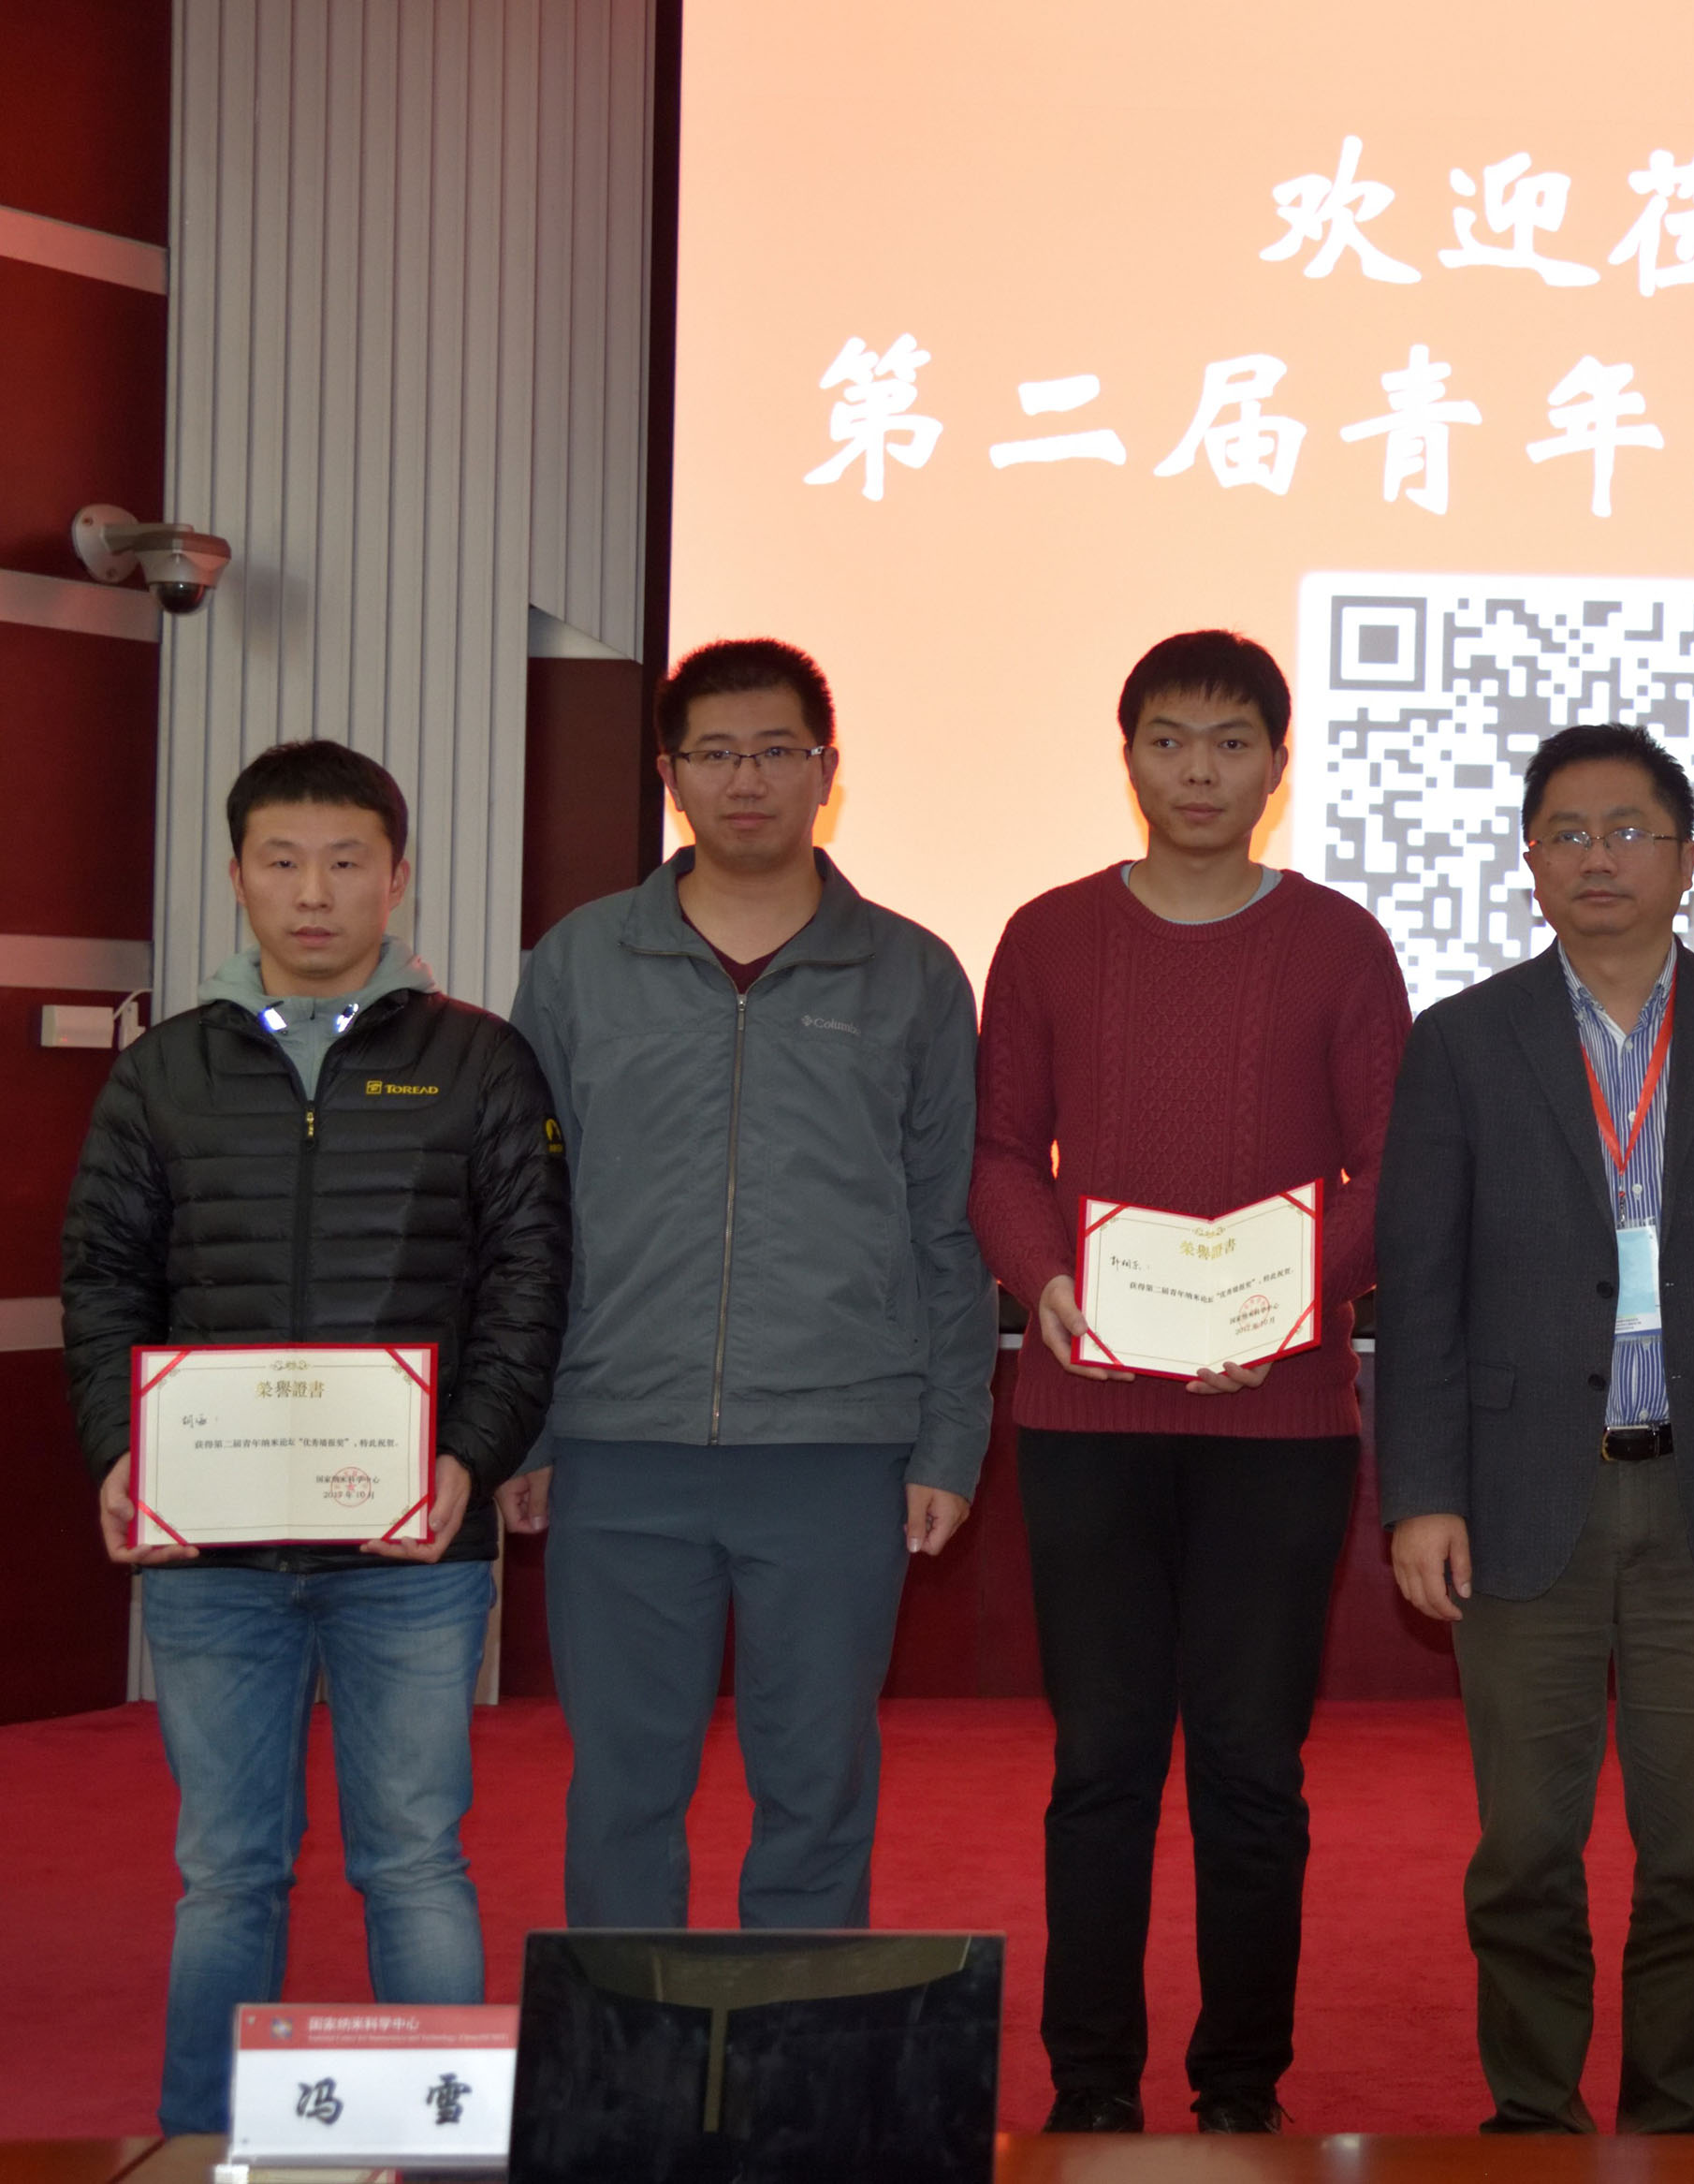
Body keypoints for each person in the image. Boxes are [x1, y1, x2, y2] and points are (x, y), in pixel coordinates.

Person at [61, 741, 570, 2133]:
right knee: (227, 1871)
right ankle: (202, 2145)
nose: (312, 892)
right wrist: (119, 1447)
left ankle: (441, 2150)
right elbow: (103, 1278)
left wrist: (471, 1454)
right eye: (281, 861)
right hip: (213, 1554)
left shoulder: (479, 1061)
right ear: (237, 877)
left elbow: (527, 1282)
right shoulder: (162, 1071)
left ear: (396, 879)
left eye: (346, 862)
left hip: (413, 1545)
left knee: (413, 1861)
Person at [1378, 723, 1694, 2134]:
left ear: (1687, 859)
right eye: (1568, 833)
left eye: (1630, 831)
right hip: (1525, 1494)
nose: (1600, 857)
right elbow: (1421, 1289)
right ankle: (1533, 2118)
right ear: (1529, 862)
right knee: (1526, 1848)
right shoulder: (1462, 1042)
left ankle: (1681, 2125)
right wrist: (1421, 1492)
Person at [970, 631, 1410, 2133]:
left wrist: (1291, 1303)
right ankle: (1089, 2087)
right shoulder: (1045, 935)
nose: (1200, 770)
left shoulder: (1342, 943)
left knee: (1249, 1764)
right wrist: (1044, 1279)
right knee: (1098, 1761)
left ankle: (1240, 2089)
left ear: (1278, 764)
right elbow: (998, 1151)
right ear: (1129, 756)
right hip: (1086, 1410)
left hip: (1279, 1419)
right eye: (1170, 739)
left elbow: (1391, 1165)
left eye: (1231, 743)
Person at [503, 638, 993, 1931]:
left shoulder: (912, 974)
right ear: (669, 776)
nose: (748, 780)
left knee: (817, 1786)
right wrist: (525, 1426)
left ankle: (799, 2052)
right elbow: (524, 1219)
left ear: (828, 771)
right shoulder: (578, 964)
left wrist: (950, 1440)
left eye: (778, 751)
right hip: (619, 1441)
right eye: (715, 754)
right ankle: (631, 2051)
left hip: (838, 1448)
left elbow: (947, 1229)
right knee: (622, 1786)